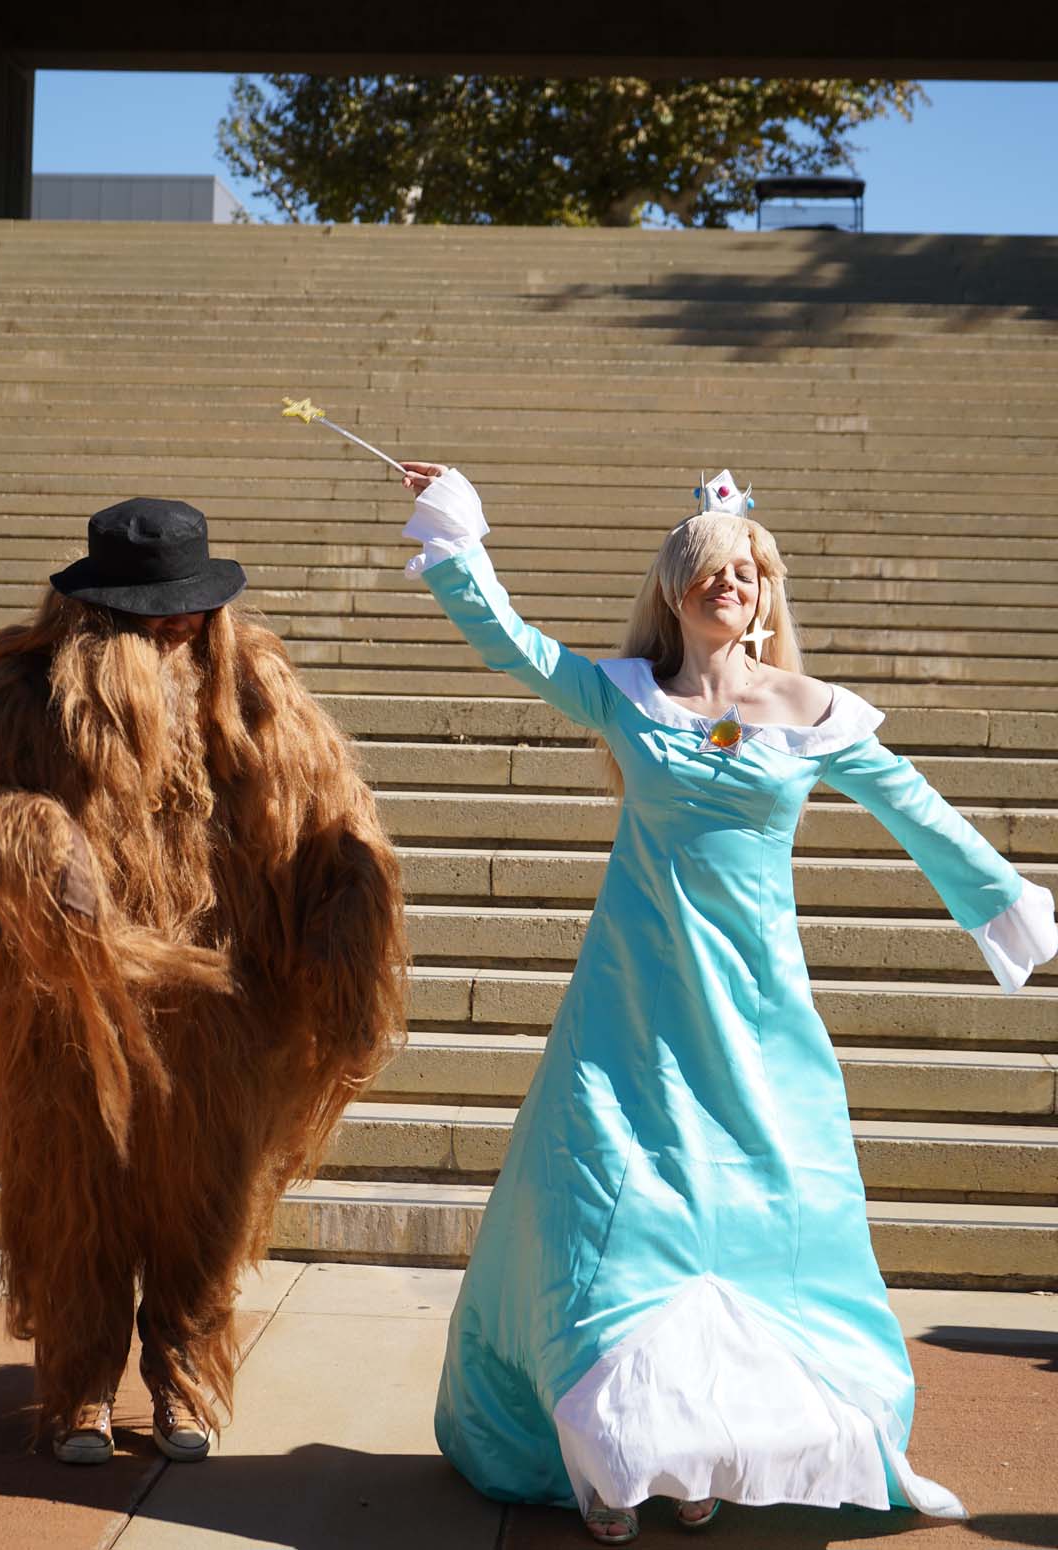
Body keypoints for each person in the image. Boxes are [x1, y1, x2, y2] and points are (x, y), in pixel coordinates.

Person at [397, 462, 1057, 1541]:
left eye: (746, 572)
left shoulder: (808, 710)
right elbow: (514, 646)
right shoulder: (623, 693)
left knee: (754, 1220)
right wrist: (459, 537)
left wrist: (1005, 901)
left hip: (756, 1009)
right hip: (631, 1002)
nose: (729, 584)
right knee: (617, 1218)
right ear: (675, 587)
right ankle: (613, 1453)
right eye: (709, 570)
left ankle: (702, 1442)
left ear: (766, 593)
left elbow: (917, 807)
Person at [0, 498, 406, 1464]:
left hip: (223, 1008)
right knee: (75, 1203)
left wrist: (348, 906)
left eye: (191, 605)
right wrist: (37, 844)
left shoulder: (254, 685)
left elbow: (328, 812)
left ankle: (182, 1373)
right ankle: (82, 1385)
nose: (178, 623)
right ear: (96, 611)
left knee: (207, 1209)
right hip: (74, 1010)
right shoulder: (28, 693)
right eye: (152, 612)